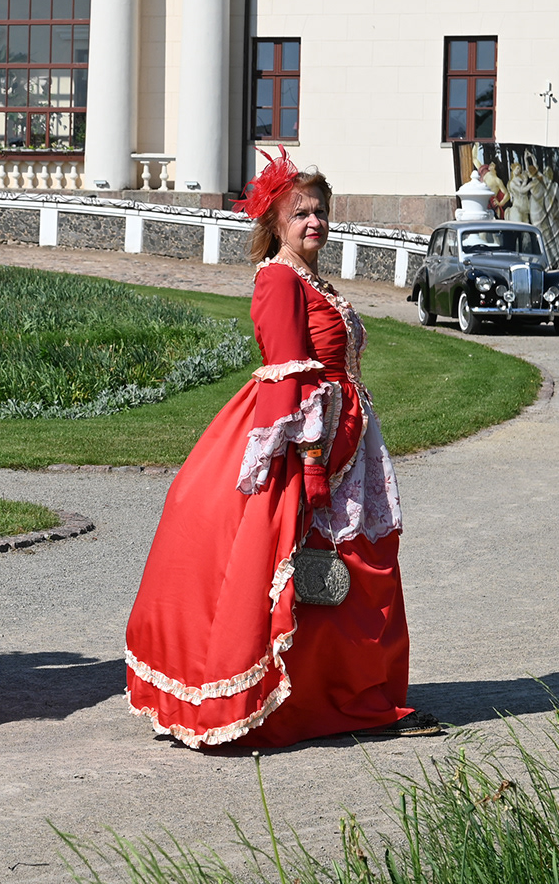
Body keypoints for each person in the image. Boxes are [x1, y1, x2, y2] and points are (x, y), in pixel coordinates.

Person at [124, 151, 422, 748]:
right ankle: (299, 700)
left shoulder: (310, 278)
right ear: (276, 222)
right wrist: (311, 465)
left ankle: (348, 692)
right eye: (301, 213)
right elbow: (287, 374)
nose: (315, 222)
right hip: (307, 444)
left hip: (345, 439)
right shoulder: (278, 278)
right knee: (310, 569)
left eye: (321, 211)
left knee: (358, 565)